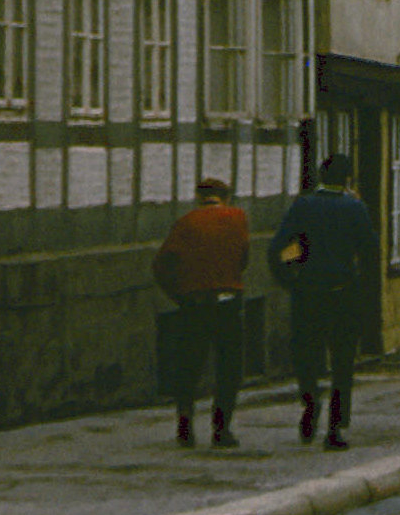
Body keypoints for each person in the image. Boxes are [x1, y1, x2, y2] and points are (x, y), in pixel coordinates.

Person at [272, 152, 376, 450]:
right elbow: (369, 249)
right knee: (343, 361)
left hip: (308, 293)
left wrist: (290, 281)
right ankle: (335, 427)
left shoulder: (303, 206)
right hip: (343, 292)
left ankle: (310, 400)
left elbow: (279, 248)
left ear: (320, 176)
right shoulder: (355, 208)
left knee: (306, 353)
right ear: (346, 179)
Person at [153, 174, 250, 448]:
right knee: (229, 368)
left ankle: (185, 427)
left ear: (199, 197)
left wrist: (178, 294)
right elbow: (244, 256)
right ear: (226, 197)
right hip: (228, 301)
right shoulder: (238, 217)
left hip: (194, 304)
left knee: (189, 367)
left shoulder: (186, 223)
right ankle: (222, 429)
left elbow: (161, 264)